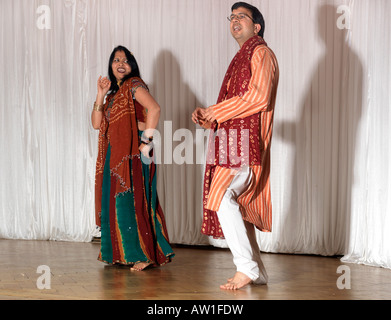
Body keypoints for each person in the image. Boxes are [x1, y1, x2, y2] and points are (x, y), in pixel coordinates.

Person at [192, 2, 279, 290]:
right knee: (235, 205)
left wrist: (215, 111)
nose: (235, 20)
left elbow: (259, 97)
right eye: (232, 17)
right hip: (233, 140)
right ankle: (259, 272)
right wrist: (208, 117)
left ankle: (246, 267)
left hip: (245, 142)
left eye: (242, 16)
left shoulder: (261, 52)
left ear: (257, 27)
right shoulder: (240, 57)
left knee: (221, 197)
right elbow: (235, 109)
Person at [92, 45, 174, 271]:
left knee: (134, 200)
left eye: (126, 60)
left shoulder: (134, 85)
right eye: (116, 60)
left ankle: (145, 254)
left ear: (132, 66)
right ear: (111, 65)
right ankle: (120, 252)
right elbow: (97, 124)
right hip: (115, 152)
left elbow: (154, 109)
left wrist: (147, 142)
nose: (120, 63)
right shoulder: (112, 95)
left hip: (136, 149)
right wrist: (100, 94)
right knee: (116, 201)